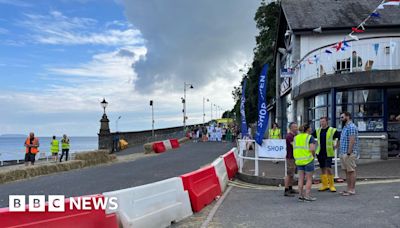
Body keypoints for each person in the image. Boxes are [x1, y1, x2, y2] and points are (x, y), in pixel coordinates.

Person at [312, 117, 340, 192]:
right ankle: (325, 185)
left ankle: (331, 185)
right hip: (320, 152)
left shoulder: (332, 130)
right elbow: (311, 137)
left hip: (329, 152)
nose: (322, 123)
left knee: (328, 168)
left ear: (327, 122)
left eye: (323, 121)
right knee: (322, 168)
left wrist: (337, 146)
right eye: (321, 122)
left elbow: (339, 137)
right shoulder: (318, 130)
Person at [294, 124, 317, 202]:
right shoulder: (310, 137)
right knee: (309, 179)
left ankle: (300, 195)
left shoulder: (296, 137)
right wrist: (313, 156)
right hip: (308, 160)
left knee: (300, 178)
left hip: (299, 160)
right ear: (308, 129)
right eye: (310, 127)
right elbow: (312, 149)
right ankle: (307, 196)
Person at [339, 111, 359, 196]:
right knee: (347, 171)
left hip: (349, 153)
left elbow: (352, 140)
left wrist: (348, 153)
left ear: (348, 117)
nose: (341, 119)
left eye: (342, 117)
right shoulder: (345, 127)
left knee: (351, 171)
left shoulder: (351, 127)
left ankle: (352, 189)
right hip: (343, 152)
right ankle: (348, 189)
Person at [284, 122, 299, 197]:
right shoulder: (289, 136)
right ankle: (286, 190)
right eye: (295, 127)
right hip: (290, 157)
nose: (296, 128)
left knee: (292, 174)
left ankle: (290, 188)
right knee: (289, 174)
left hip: (294, 157)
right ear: (291, 128)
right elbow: (294, 145)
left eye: (296, 127)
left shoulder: (294, 135)